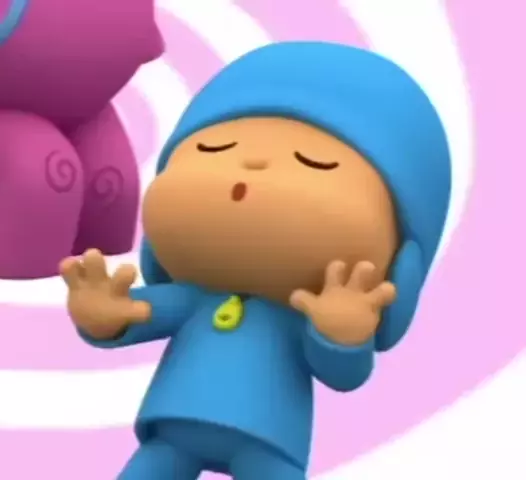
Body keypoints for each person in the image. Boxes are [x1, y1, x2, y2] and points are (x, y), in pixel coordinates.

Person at [60, 41, 451, 480]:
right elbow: (140, 312)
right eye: (214, 149)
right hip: (169, 434)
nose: (250, 169)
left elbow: (343, 376)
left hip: (269, 445)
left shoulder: (300, 312)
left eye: (315, 163)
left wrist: (340, 336)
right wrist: (105, 316)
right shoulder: (191, 299)